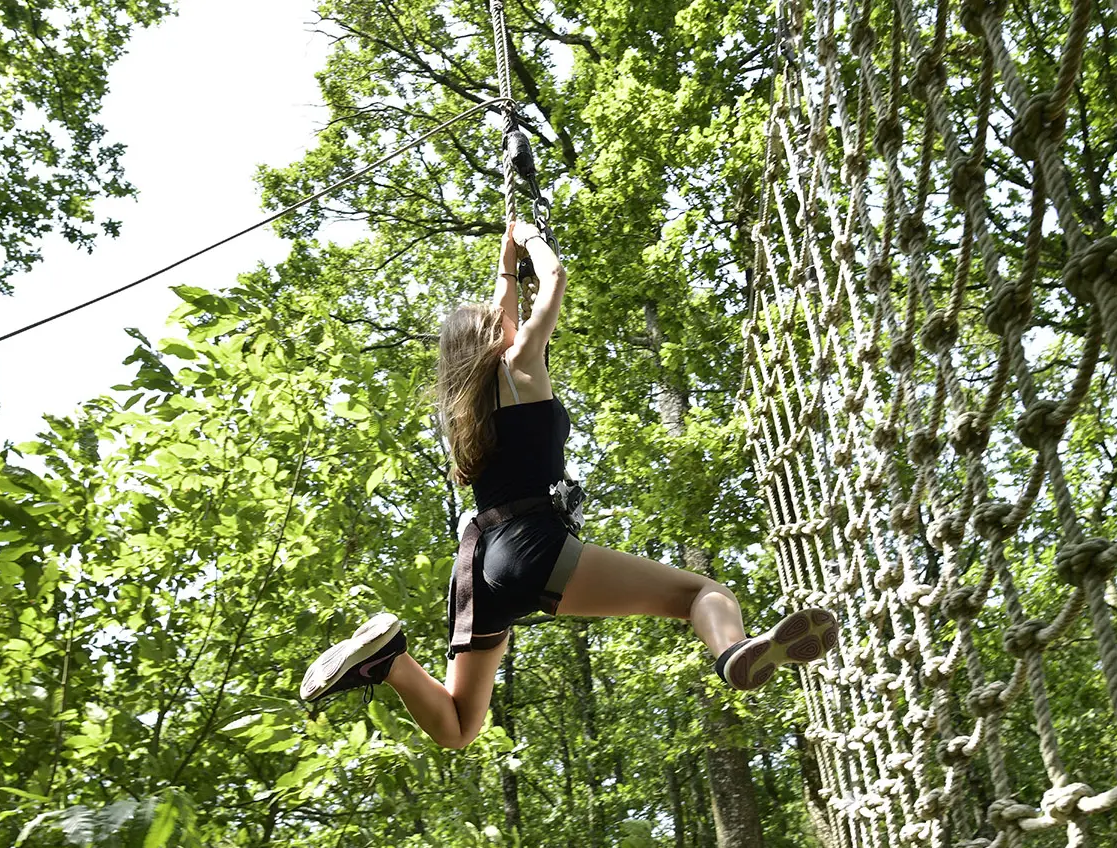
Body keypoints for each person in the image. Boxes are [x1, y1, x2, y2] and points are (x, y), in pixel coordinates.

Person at [299, 220, 837, 747]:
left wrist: (508, 262)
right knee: (705, 592)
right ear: (494, 337)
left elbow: (506, 307)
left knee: (460, 729)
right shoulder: (520, 362)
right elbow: (554, 279)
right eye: (499, 317)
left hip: (483, 562)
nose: (508, 315)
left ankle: (389, 661)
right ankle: (733, 651)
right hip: (534, 547)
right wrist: (531, 236)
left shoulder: (467, 407)